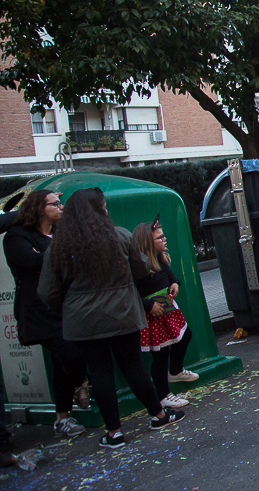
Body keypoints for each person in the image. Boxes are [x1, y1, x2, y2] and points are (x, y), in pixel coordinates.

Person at [38, 188, 184, 449]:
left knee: (100, 373)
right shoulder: (120, 236)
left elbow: (48, 291)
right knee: (133, 367)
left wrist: (69, 307)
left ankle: (114, 433)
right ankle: (159, 415)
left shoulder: (58, 247)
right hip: (124, 314)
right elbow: (141, 268)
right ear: (101, 210)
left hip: (82, 320)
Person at [3, 190, 89, 437]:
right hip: (38, 311)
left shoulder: (59, 233)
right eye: (55, 203)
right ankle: (81, 382)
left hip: (66, 306)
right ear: (40, 208)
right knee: (70, 356)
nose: (60, 207)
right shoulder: (16, 236)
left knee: (61, 364)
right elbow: (36, 262)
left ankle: (62, 418)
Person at [133, 220, 198, 409]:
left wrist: (175, 282)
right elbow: (131, 293)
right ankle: (163, 395)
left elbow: (168, 272)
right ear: (147, 242)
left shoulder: (159, 257)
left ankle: (176, 371)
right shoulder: (137, 266)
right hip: (153, 313)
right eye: (160, 237)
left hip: (168, 308)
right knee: (160, 354)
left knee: (185, 335)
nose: (165, 239)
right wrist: (148, 305)